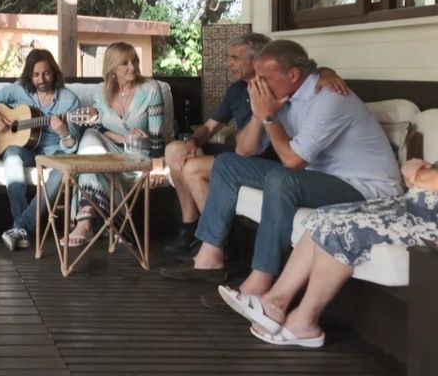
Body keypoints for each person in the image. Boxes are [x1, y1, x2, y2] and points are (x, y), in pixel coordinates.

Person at [162, 40, 403, 295]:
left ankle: (260, 281)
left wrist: (268, 116)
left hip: (365, 187)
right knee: (227, 163)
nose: (258, 85)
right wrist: (259, 113)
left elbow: (293, 161)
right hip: (321, 178)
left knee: (281, 178)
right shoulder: (283, 98)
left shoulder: (329, 98)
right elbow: (244, 150)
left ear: (293, 74)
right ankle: (209, 259)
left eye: (264, 78)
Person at [218, 158, 438, 348]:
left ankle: (305, 322)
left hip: (428, 221)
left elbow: (422, 177)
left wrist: (419, 172)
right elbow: (416, 179)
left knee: (340, 230)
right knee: (324, 216)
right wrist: (419, 174)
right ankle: (275, 303)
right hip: (407, 207)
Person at [162, 33, 348, 254]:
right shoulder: (237, 90)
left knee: (193, 168)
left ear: (256, 60)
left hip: (267, 158)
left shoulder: (278, 88)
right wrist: (193, 142)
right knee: (174, 149)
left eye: (234, 58)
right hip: (244, 152)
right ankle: (190, 225)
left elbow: (309, 75)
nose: (228, 63)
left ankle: (219, 241)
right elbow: (211, 127)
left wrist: (327, 72)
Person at [66, 42, 169, 246]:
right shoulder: (100, 92)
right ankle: (87, 221)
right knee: (89, 139)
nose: (133, 67)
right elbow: (99, 127)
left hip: (138, 154)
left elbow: (157, 136)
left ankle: (99, 222)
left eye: (135, 61)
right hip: (109, 151)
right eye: (125, 63)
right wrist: (123, 138)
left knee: (93, 164)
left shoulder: (151, 89)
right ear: (112, 68)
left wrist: (157, 169)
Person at [0, 48, 81, 252]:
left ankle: (20, 227)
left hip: (55, 150)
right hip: (26, 148)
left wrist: (63, 131)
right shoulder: (20, 89)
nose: (41, 79)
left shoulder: (69, 101)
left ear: (54, 73)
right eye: (36, 74)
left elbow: (72, 147)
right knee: (11, 155)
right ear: (29, 74)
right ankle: (21, 227)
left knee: (61, 170)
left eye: (46, 73)